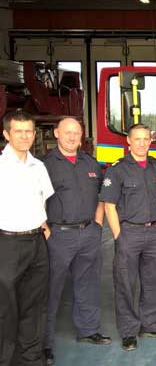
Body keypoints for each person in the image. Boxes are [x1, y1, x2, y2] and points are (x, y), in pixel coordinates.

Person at [42, 117, 111, 365]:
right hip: (58, 234)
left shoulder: (90, 163)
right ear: (56, 133)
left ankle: (88, 330)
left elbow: (101, 197)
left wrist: (98, 224)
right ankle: (45, 343)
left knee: (88, 284)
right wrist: (46, 231)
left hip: (88, 232)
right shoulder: (45, 165)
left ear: (82, 135)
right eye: (67, 132)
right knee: (50, 289)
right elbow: (35, 200)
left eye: (76, 133)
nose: (72, 137)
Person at [100, 124, 156, 352]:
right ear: (128, 142)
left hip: (154, 232)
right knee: (126, 283)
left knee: (153, 282)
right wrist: (119, 235)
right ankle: (129, 331)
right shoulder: (117, 169)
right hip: (129, 232)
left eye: (146, 139)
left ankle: (150, 324)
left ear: (150, 141)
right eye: (137, 139)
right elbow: (109, 205)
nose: (142, 143)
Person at [0, 110, 53, 366]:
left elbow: (41, 200)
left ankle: (31, 359)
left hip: (36, 243)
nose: (24, 136)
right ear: (6, 134)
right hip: (7, 244)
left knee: (34, 304)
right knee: (6, 307)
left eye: (28, 131)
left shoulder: (39, 167)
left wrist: (42, 224)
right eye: (18, 131)